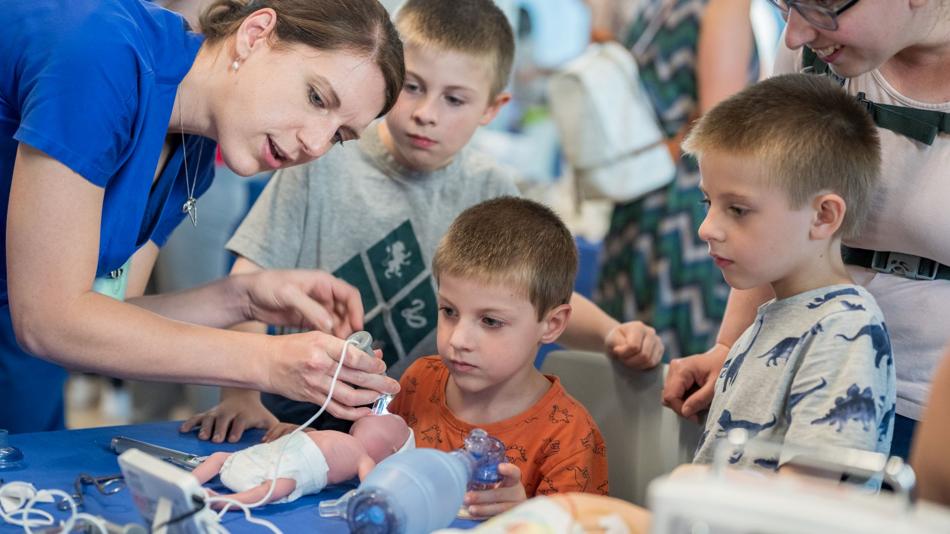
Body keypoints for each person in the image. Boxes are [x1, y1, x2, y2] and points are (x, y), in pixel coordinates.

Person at [181, 0, 664, 443]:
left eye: (455, 99)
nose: (426, 114)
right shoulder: (320, 154)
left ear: (493, 108)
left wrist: (610, 335)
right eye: (412, 87)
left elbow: (535, 296)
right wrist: (241, 395)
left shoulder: (492, 189)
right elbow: (249, 287)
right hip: (293, 405)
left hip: (414, 421)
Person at [0, 0, 405, 433]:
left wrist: (241, 298)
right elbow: (49, 320)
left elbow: (110, 309)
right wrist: (266, 362)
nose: (315, 144)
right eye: (316, 97)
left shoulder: (191, 157)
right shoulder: (103, 56)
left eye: (339, 136)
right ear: (255, 34)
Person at [663, 0, 950, 461]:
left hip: (927, 408)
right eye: (785, 5)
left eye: (820, 8)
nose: (795, 34)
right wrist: (730, 345)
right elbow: (772, 203)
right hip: (791, 354)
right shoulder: (819, 49)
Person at [681, 74, 894, 485]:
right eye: (708, 202)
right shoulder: (779, 314)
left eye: (738, 209)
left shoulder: (844, 329)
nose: (707, 228)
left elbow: (808, 498)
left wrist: (687, 488)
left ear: (823, 216)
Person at [388, 197, 610, 518]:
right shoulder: (417, 382)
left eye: (490, 321)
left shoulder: (570, 438)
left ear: (551, 325)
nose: (458, 339)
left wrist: (525, 516)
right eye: (449, 311)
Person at [594, 0, 759, 359]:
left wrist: (649, 152)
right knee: (626, 340)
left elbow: (719, 123)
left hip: (680, 200)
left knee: (666, 349)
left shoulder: (723, 5)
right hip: (642, 190)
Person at [192, 413, 411, 506]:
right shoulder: (340, 436)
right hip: (284, 450)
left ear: (391, 451)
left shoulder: (364, 459)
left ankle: (229, 502)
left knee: (278, 486)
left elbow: (370, 489)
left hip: (300, 468)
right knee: (221, 457)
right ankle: (188, 482)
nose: (381, 416)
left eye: (390, 421)